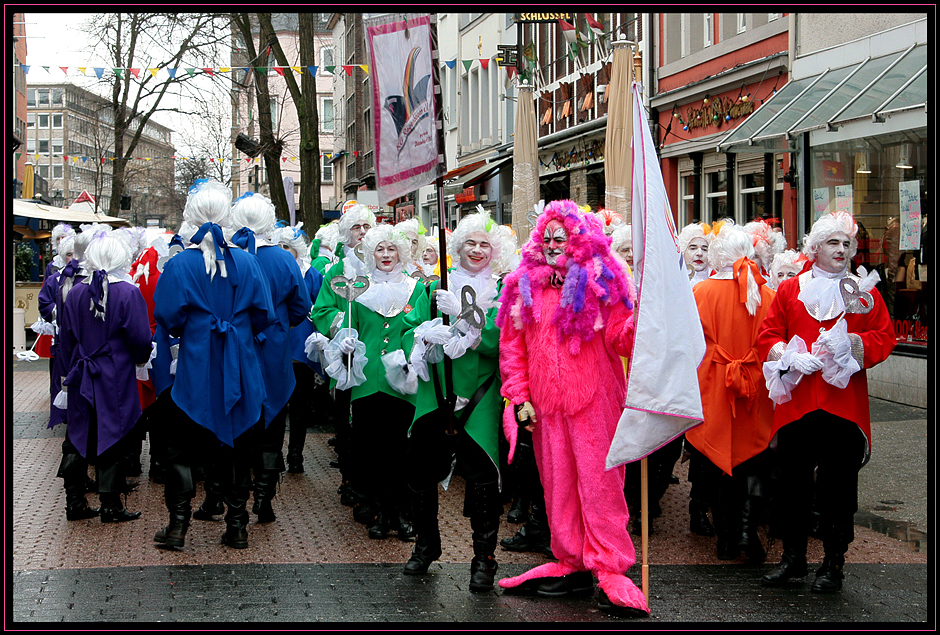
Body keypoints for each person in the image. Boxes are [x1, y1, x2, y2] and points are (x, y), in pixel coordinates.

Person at [495, 200, 648, 616]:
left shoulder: (606, 279)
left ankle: (610, 566)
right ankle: (572, 561)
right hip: (547, 408)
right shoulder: (525, 284)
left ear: (578, 239)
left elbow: (621, 339)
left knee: (600, 488)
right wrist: (519, 395)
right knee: (558, 486)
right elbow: (513, 348)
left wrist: (642, 319)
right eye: (546, 237)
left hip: (595, 402)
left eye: (559, 238)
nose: (551, 244)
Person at [757, 211, 896, 593]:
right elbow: (767, 335)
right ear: (815, 248)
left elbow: (885, 337)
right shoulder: (790, 289)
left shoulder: (864, 292)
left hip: (842, 405)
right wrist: (786, 354)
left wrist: (855, 344)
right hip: (798, 404)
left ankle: (833, 564)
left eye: (846, 244)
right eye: (833, 243)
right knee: (793, 486)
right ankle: (793, 559)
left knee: (839, 489)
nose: (841, 250)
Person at [152, 179, 275, 550]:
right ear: (228, 218)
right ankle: (237, 524)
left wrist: (200, 325)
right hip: (239, 362)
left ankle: (178, 525)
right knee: (239, 442)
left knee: (180, 446)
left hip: (196, 364)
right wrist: (234, 326)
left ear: (190, 216)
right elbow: (265, 315)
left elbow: (167, 318)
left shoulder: (180, 265)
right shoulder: (248, 260)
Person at [401, 210, 512, 592]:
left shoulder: (504, 291)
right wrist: (424, 336)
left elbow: (506, 344)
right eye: (470, 243)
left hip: (479, 398)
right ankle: (426, 545)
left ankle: (484, 558)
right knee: (419, 472)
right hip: (436, 395)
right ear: (458, 247)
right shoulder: (433, 288)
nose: (477, 250)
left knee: (481, 479)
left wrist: (470, 324)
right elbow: (407, 329)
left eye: (485, 244)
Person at [318, 224, 423, 541]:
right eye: (380, 249)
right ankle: (377, 512)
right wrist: (345, 342)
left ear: (401, 253)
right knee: (369, 450)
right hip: (365, 382)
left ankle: (399, 513)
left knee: (400, 450)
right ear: (371, 253)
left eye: (392, 249)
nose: (386, 255)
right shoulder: (358, 290)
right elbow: (349, 328)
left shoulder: (415, 289)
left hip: (400, 382)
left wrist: (409, 351)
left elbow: (414, 327)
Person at [685, 224, 776, 562]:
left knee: (717, 459)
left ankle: (724, 536)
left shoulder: (701, 292)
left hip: (714, 384)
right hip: (755, 384)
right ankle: (747, 534)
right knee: (754, 458)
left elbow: (688, 344)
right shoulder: (767, 295)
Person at [225, 193, 310, 523]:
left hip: (236, 347)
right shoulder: (284, 259)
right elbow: (301, 306)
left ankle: (239, 500)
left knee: (238, 425)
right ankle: (264, 497)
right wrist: (278, 322)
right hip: (274, 350)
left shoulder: (226, 258)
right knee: (272, 426)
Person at [56, 233, 153, 523]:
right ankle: (110, 504)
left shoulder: (75, 292)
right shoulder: (128, 292)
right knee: (113, 433)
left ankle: (75, 502)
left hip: (82, 370)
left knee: (76, 435)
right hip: (114, 373)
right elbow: (139, 337)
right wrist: (140, 359)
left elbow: (67, 337)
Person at [310, 204, 375, 522]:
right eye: (356, 227)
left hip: (376, 360)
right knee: (346, 425)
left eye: (366, 226)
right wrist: (342, 323)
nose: (362, 232)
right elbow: (320, 311)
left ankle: (372, 484)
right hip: (345, 359)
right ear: (346, 233)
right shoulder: (334, 273)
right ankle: (350, 481)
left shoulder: (381, 267)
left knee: (369, 425)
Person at [272, 223, 325, 474]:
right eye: (280, 246)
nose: (284, 251)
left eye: (288, 247)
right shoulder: (274, 269)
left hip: (302, 351)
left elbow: (319, 305)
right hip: (278, 348)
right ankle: (275, 455)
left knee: (300, 407)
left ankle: (296, 455)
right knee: (277, 405)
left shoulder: (312, 274)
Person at [678, 222, 714, 288]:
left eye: (704, 249)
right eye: (693, 248)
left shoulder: (715, 281)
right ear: (683, 251)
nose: (699, 253)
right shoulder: (674, 279)